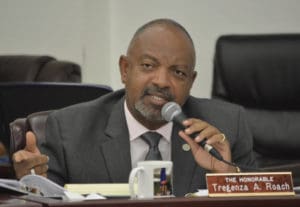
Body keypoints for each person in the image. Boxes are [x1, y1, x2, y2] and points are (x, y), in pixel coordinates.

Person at [12, 18, 256, 197]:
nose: (161, 81)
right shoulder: (69, 130)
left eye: (178, 72)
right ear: (125, 70)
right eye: (149, 66)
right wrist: (33, 185)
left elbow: (264, 200)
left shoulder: (226, 126)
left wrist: (227, 177)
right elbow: (45, 197)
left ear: (190, 82)